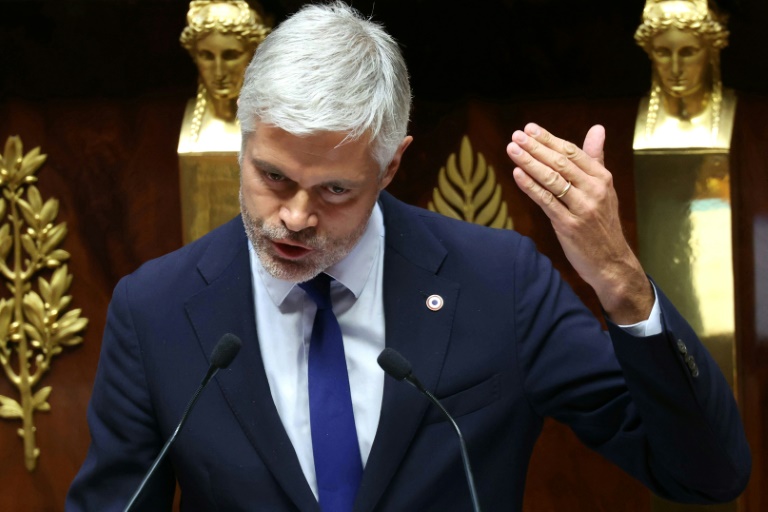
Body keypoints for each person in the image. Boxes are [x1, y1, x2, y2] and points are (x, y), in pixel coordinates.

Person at [67, 2, 750, 510]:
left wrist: (622, 284)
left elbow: (706, 475)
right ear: (245, 140)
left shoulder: (498, 284)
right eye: (273, 176)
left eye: (335, 189)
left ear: (392, 165)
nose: (296, 217)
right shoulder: (156, 310)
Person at [633, 0, 736, 149]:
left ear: (711, 51)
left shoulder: (749, 120)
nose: (675, 69)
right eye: (663, 53)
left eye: (688, 53)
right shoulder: (626, 119)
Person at [178, 0, 270, 149]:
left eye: (231, 55)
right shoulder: (192, 126)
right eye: (207, 56)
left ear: (254, 54)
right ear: (194, 55)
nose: (219, 72)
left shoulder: (274, 124)